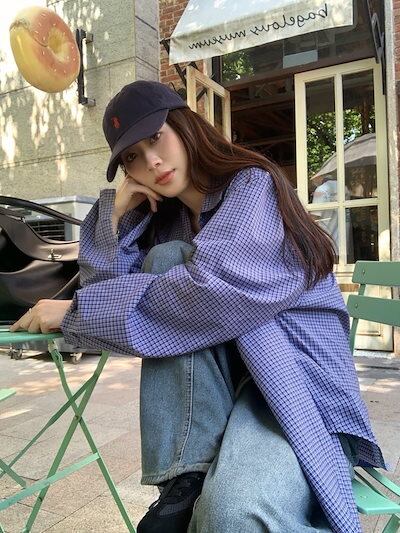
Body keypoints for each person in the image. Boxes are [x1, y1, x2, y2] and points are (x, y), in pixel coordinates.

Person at [11, 81, 386, 533]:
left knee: (232, 516)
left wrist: (74, 312)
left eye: (156, 137)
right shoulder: (167, 222)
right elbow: (110, 298)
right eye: (132, 157)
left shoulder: (253, 187)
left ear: (185, 126)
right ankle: (185, 481)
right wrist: (114, 217)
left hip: (296, 385)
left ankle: (189, 489)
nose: (151, 162)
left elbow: (205, 296)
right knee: (165, 260)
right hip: (224, 387)